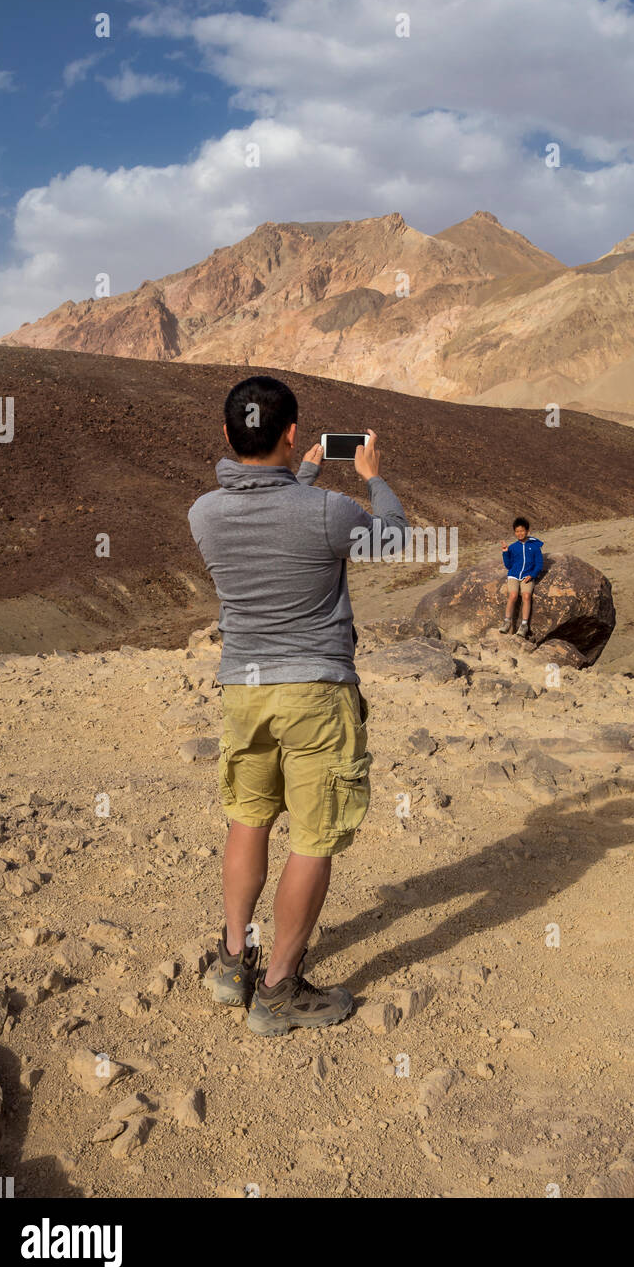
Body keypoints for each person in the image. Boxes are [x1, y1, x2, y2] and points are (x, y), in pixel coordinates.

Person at [187, 376, 408, 1035]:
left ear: (228, 436)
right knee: (313, 837)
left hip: (243, 688)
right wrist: (372, 476)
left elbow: (275, 516)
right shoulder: (331, 513)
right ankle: (279, 990)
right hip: (316, 688)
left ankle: (233, 963)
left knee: (248, 818)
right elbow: (390, 536)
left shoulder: (204, 514)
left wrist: (301, 471)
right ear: (290, 435)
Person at [499, 517, 544, 638]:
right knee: (513, 595)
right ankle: (507, 621)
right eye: (517, 531)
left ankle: (524, 625)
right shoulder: (513, 547)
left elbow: (539, 564)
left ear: (527, 531)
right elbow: (508, 566)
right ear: (514, 532)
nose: (520, 533)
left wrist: (532, 575)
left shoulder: (535, 546)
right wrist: (505, 552)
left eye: (522, 531)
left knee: (526, 596)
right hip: (513, 575)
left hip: (527, 576)